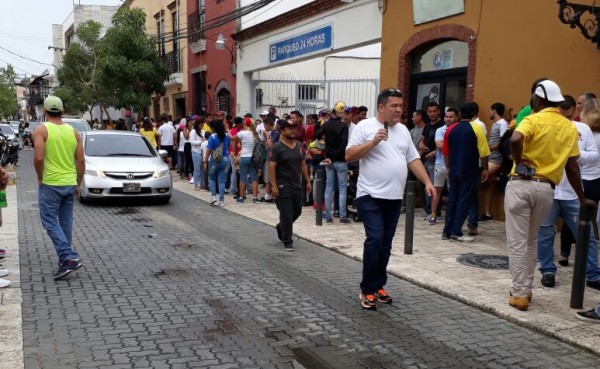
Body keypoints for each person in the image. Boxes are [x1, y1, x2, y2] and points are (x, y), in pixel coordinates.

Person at [505, 80, 596, 311]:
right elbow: (572, 166)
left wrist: (519, 162)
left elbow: (515, 139)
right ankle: (527, 286)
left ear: (537, 100)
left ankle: (519, 292)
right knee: (531, 240)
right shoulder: (569, 127)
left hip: (521, 185)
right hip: (547, 189)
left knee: (517, 242)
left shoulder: (532, 119)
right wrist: (582, 196)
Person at [346, 88, 435, 310]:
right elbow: (349, 156)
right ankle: (366, 289)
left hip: (394, 198)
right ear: (381, 107)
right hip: (369, 195)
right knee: (375, 239)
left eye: (400, 105)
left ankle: (378, 286)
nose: (398, 110)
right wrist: (373, 142)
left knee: (385, 244)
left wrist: (428, 182)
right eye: (394, 106)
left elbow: (413, 159)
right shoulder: (365, 127)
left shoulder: (403, 130)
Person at [535, 99, 600, 290]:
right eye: (564, 115)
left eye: (570, 115)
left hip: (573, 192)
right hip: (549, 189)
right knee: (545, 233)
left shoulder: (583, 129)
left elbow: (594, 155)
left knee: (586, 234)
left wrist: (575, 155)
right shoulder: (545, 126)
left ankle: (593, 273)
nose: (567, 119)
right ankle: (547, 271)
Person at [33, 96, 85, 280]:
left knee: (49, 221)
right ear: (62, 112)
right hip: (70, 183)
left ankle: (68, 257)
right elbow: (80, 161)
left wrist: (40, 178)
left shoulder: (41, 130)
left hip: (51, 183)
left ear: (44, 112)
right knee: (65, 222)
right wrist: (77, 184)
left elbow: (39, 158)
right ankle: (65, 261)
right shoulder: (75, 132)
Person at [441, 103, 490, 242]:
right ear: (474, 115)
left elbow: (446, 152)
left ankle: (446, 231)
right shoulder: (477, 128)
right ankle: (457, 231)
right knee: (464, 200)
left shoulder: (450, 129)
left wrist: (448, 167)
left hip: (454, 169)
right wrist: (485, 168)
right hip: (469, 170)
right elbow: (484, 152)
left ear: (460, 114)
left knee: (452, 200)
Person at [269, 119, 311, 252]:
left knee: (297, 211)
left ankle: (281, 227)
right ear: (282, 131)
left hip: (296, 184)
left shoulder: (299, 145)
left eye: (294, 128)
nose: (293, 130)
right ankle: (287, 240)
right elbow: (271, 166)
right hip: (282, 185)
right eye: (289, 128)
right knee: (286, 213)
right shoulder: (277, 147)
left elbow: (303, 164)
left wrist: (308, 181)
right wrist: (274, 185)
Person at [319, 101, 351, 224]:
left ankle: (328, 216)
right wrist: (334, 157)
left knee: (329, 187)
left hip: (329, 160)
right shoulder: (343, 126)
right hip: (340, 160)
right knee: (342, 188)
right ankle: (342, 216)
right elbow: (343, 145)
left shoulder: (326, 125)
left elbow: (317, 135)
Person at [428, 107, 458, 225]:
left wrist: (446, 145)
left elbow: (442, 145)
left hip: (454, 164)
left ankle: (451, 216)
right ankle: (433, 214)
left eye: (451, 117)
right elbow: (439, 145)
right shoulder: (440, 130)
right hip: (440, 164)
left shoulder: (457, 129)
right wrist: (453, 145)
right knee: (437, 190)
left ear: (456, 118)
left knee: (453, 191)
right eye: (447, 116)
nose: (448, 119)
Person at [480, 103, 508, 222]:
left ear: (494, 110)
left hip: (496, 159)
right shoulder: (496, 124)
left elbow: (503, 142)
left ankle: (498, 179)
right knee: (488, 186)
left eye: (491, 110)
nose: (490, 113)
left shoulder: (502, 123)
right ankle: (487, 213)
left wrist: (487, 148)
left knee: (481, 179)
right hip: (491, 158)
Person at [418, 102, 444, 218]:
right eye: (430, 111)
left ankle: (435, 212)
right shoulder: (428, 126)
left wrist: (433, 152)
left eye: (434, 111)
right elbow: (421, 140)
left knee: (435, 186)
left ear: (438, 111)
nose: (432, 114)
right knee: (426, 186)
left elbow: (444, 145)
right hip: (426, 160)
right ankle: (428, 209)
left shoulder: (442, 126)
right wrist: (421, 145)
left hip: (437, 160)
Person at [231, 118, 260, 203]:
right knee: (254, 178)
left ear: (244, 123)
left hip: (244, 157)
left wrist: (227, 130)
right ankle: (255, 197)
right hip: (253, 157)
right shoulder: (255, 134)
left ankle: (241, 197)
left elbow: (232, 138)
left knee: (242, 177)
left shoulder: (241, 133)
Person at [204, 119, 231, 207]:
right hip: (225, 160)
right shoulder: (226, 136)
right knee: (222, 181)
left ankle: (213, 196)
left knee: (211, 178)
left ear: (213, 128)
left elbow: (209, 150)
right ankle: (222, 201)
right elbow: (228, 147)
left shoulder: (212, 137)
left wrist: (205, 161)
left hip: (215, 161)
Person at [189, 118, 205, 191]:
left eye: (203, 125)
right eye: (201, 125)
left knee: (202, 169)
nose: (202, 127)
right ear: (197, 125)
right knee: (197, 169)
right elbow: (191, 141)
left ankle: (202, 184)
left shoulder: (203, 131)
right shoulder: (193, 131)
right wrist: (200, 142)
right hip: (196, 152)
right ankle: (196, 185)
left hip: (202, 152)